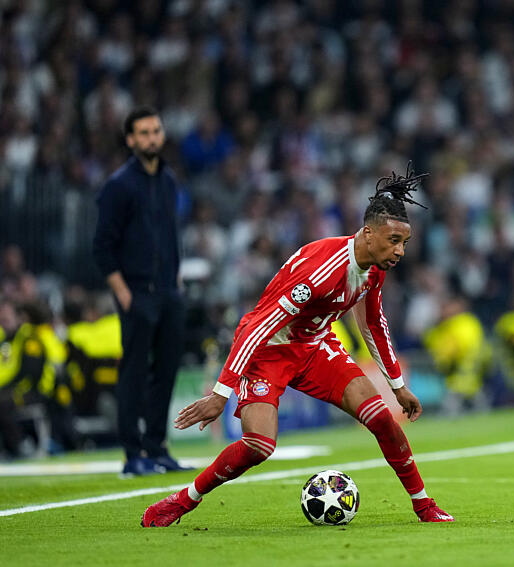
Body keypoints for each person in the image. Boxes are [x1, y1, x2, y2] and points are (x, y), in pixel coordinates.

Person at [141, 164, 454, 526]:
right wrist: (219, 394)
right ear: (368, 233)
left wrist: (397, 386)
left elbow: (372, 324)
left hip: (315, 346)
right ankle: (182, 501)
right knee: (260, 445)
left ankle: (423, 505)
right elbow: (257, 326)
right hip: (268, 351)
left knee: (382, 418)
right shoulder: (321, 270)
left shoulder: (374, 268)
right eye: (394, 240)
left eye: (404, 243)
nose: (399, 251)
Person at [93, 107, 190, 476]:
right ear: (131, 139)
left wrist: (175, 281)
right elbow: (102, 246)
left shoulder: (167, 180)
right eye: (144, 133)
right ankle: (133, 454)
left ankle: (157, 447)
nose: (151, 138)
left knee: (166, 371)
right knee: (133, 374)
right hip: (137, 293)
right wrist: (123, 292)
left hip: (168, 292)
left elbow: (170, 236)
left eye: (155, 131)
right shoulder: (118, 186)